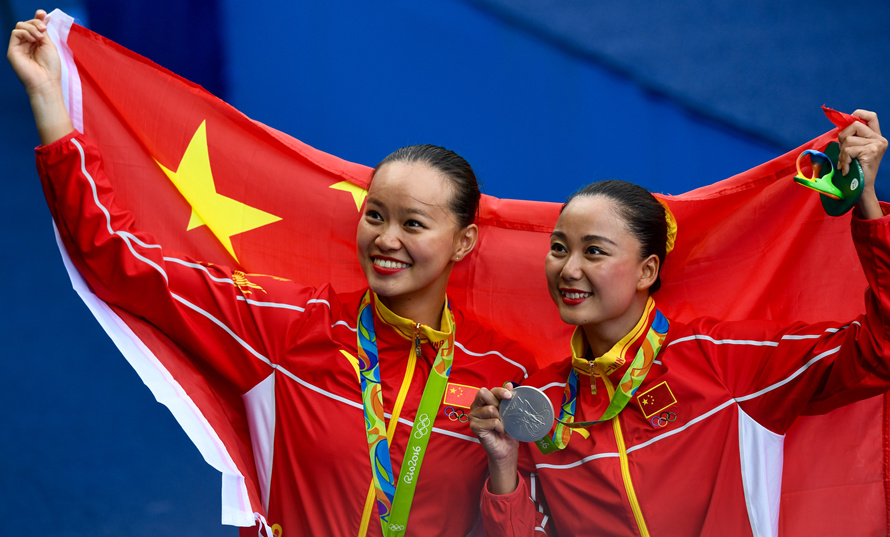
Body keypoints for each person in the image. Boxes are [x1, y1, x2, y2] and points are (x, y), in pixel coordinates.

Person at [9, 10, 536, 537]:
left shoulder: (502, 374)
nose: (386, 239)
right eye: (375, 215)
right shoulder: (292, 326)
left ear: (463, 242)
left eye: (413, 223)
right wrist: (49, 100)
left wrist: (504, 469)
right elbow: (122, 262)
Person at [470, 111, 890, 536]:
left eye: (594, 251)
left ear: (647, 271)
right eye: (559, 248)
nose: (569, 269)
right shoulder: (538, 405)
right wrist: (504, 464)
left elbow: (883, 350)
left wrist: (868, 206)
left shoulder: (721, 363)